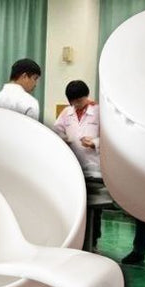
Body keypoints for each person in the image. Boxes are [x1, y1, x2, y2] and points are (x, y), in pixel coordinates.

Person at [53, 80, 112, 251]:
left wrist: (94, 142)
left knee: (95, 209)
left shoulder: (99, 111)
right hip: (74, 167)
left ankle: (93, 242)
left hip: (95, 167)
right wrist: (64, 139)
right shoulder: (66, 112)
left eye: (79, 101)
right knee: (79, 207)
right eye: (73, 102)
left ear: (86, 97)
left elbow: (110, 137)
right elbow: (57, 130)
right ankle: (78, 241)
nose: (76, 105)